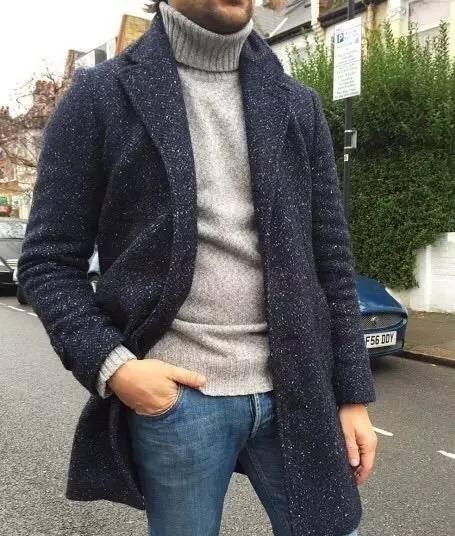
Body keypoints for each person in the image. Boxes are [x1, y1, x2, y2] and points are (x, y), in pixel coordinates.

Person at [17, 1, 378, 535]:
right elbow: (48, 261)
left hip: (299, 390)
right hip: (179, 400)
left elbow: (331, 263)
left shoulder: (296, 104)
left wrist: (352, 396)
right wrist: (116, 368)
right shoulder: (100, 97)